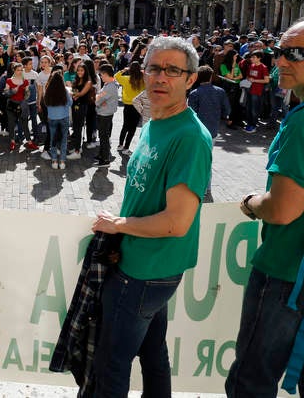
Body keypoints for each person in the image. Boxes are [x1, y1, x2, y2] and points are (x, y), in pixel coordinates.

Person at [91, 37, 212, 396]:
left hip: (144, 272)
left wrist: (119, 225)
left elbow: (177, 222)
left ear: (190, 79)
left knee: (110, 363)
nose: (161, 77)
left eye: (173, 70)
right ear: (142, 72)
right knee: (153, 353)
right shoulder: (154, 120)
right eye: (154, 68)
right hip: (146, 266)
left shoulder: (190, 136)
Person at [226, 21, 304, 396]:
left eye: (296, 53)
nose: (282, 62)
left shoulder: (302, 123)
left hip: (285, 271)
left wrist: (250, 203)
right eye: (280, 52)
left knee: (251, 380)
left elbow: (283, 209)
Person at [114, 61, 145, 155]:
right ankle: (126, 147)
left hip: (127, 105)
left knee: (125, 126)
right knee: (132, 128)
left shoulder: (126, 79)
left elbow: (116, 76)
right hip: (138, 105)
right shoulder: (143, 80)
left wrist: (124, 69)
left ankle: (120, 145)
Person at [43, 70, 72, 170]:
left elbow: (46, 103)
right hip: (64, 117)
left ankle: (54, 161)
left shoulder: (48, 90)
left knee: (53, 140)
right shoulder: (65, 91)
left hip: (52, 118)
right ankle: (62, 161)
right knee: (64, 140)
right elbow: (70, 103)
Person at [93, 64, 119, 167]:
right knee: (103, 136)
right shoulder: (110, 83)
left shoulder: (109, 86)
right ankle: (102, 155)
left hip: (104, 114)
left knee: (104, 137)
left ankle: (105, 159)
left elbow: (98, 99)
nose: (101, 77)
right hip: (105, 112)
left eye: (102, 75)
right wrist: (99, 97)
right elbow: (99, 96)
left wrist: (98, 98)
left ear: (106, 74)